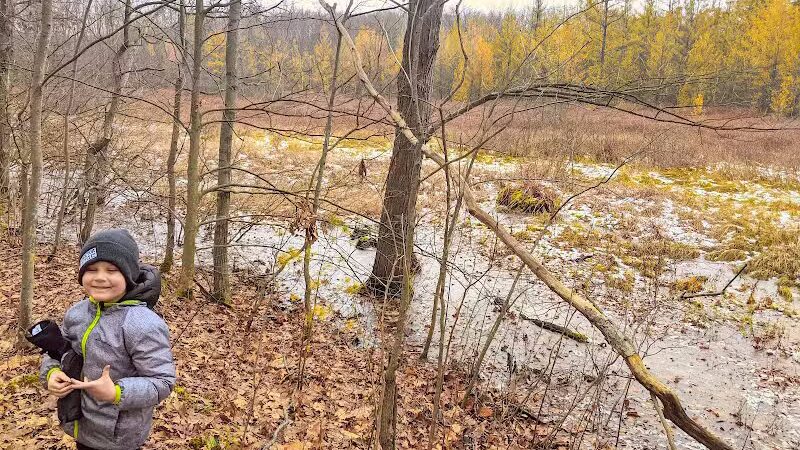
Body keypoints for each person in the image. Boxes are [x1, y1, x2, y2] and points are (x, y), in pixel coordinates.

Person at [39, 229, 176, 450]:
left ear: (128, 276)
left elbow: (162, 382)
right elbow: (56, 351)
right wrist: (52, 373)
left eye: (112, 270)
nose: (100, 277)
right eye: (91, 269)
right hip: (80, 424)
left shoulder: (142, 324)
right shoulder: (77, 313)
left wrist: (116, 393)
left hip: (118, 438)